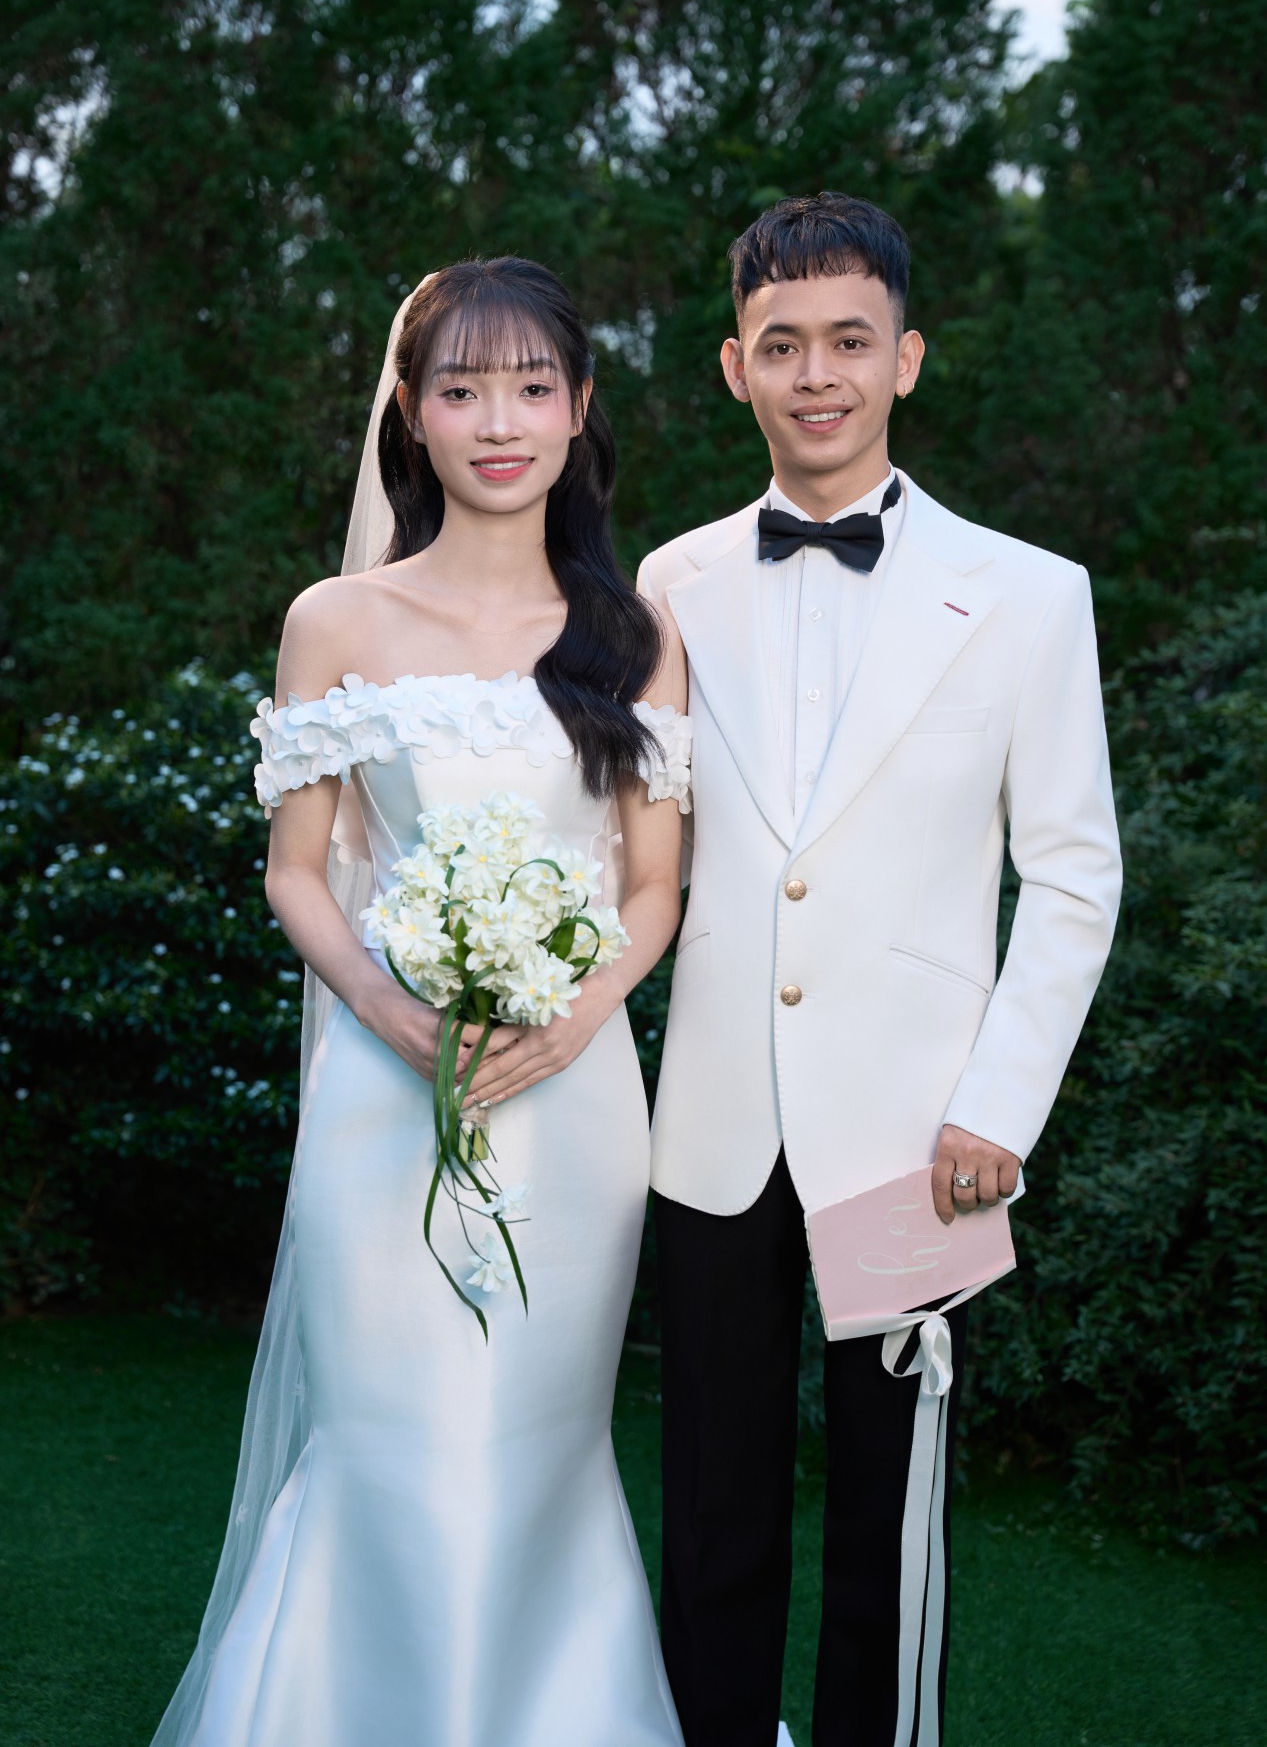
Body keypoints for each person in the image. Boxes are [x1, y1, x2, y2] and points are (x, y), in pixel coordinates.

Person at [152, 259, 689, 1747]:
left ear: (579, 409)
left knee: (537, 1448)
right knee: (391, 1442)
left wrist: (573, 1018)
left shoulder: (636, 636)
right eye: (461, 390)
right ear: (411, 412)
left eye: (531, 387)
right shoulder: (336, 618)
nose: (497, 422)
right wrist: (393, 1019)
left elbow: (655, 887)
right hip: (384, 1103)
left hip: (573, 1106)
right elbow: (298, 872)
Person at [638, 192, 1123, 1747]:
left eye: (850, 340)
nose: (817, 374)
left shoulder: (1032, 594)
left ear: (907, 357)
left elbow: (1074, 873)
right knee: (711, 1507)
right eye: (781, 345)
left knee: (888, 1524)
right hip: (712, 1124)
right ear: (735, 368)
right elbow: (643, 846)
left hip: (922, 1136)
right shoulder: (669, 582)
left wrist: (1001, 1105)